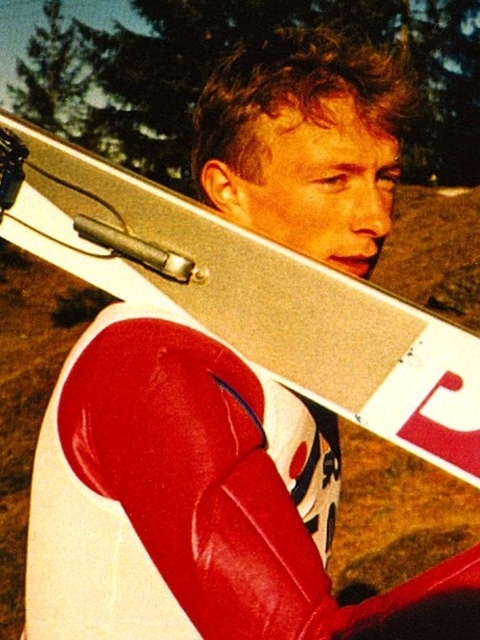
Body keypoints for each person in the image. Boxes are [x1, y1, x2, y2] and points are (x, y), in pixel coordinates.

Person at [23, 25, 479, 640]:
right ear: (227, 189)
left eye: (386, 178)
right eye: (334, 180)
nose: (377, 218)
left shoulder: (285, 341)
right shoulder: (156, 360)